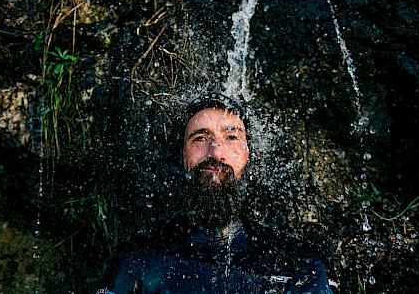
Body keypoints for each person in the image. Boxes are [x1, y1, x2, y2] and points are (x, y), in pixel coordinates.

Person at [111, 94, 335, 293]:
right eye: (200, 138)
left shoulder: (297, 266)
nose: (216, 152)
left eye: (232, 137)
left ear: (248, 156)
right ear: (182, 156)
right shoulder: (140, 257)